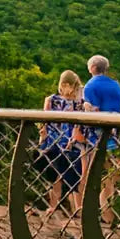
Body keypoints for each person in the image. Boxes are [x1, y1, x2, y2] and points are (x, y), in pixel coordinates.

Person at [79, 54, 120, 222]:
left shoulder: (90, 86)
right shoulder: (116, 85)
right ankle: (109, 214)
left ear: (91, 68)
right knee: (110, 178)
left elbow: (94, 111)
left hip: (96, 136)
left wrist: (85, 106)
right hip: (115, 134)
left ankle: (91, 211)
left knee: (92, 174)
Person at [34, 70, 84, 217]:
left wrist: (42, 140)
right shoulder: (77, 102)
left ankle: (57, 206)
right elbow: (79, 123)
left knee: (58, 176)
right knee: (69, 176)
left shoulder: (52, 99)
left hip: (56, 141)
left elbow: (44, 123)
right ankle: (74, 209)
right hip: (65, 141)